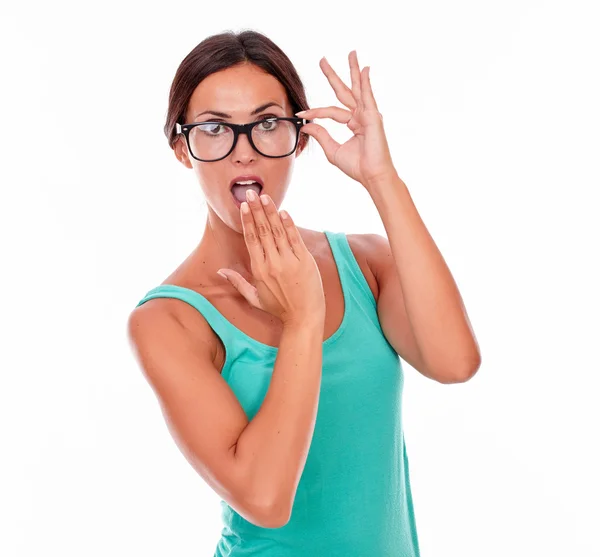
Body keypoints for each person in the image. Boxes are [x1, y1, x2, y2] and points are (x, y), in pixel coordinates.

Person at [128, 29, 481, 557]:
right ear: (183, 148)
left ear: (300, 135)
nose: (243, 151)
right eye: (215, 129)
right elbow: (266, 500)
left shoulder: (365, 262)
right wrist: (301, 320)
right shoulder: (168, 321)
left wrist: (381, 178)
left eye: (267, 124)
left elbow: (456, 363)